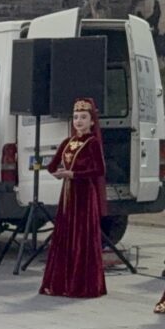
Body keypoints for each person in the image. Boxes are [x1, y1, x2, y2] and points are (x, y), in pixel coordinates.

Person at [41, 99, 106, 299]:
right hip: (68, 195)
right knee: (66, 234)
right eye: (76, 117)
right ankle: (62, 282)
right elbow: (51, 166)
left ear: (92, 122)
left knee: (82, 236)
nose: (78, 121)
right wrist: (57, 172)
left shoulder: (92, 143)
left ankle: (83, 284)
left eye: (83, 118)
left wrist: (74, 175)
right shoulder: (67, 142)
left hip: (85, 195)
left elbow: (99, 170)